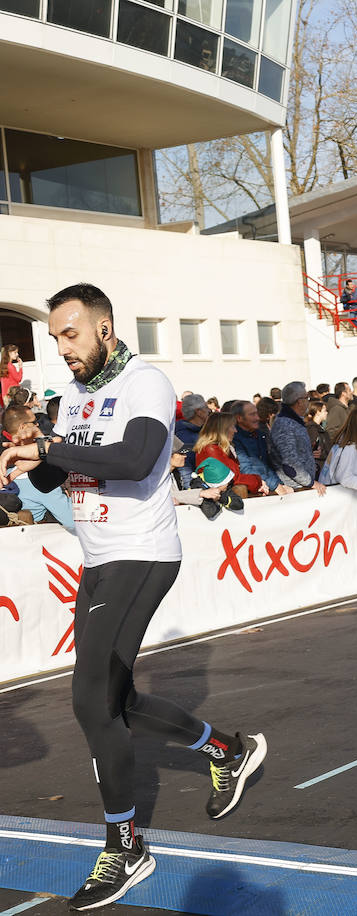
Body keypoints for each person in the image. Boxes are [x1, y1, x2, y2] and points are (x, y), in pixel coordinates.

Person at [0, 284, 265, 911]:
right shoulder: (71, 396)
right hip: (97, 559)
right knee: (116, 700)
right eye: (55, 338)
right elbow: (58, 472)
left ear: (105, 329)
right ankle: (227, 749)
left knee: (91, 702)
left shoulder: (145, 381)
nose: (61, 348)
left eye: (71, 334)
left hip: (141, 556)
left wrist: (48, 447)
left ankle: (126, 846)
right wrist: (26, 458)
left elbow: (137, 455)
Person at [270, 382, 328, 493]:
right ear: (299, 402)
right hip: (295, 489)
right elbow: (289, 463)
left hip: (302, 486)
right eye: (307, 397)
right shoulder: (285, 424)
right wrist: (310, 482)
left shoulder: (294, 421)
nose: (309, 401)